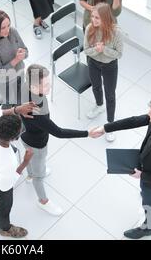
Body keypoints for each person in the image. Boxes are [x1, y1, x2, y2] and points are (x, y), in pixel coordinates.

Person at [93, 96, 151, 239]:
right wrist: (105, 128)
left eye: (150, 114)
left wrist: (142, 175)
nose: (147, 115)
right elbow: (134, 121)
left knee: (148, 202)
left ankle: (148, 227)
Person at [20, 64, 96, 215]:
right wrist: (87, 133)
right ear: (34, 86)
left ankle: (29, 174)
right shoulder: (36, 112)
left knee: (29, 156)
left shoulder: (24, 87)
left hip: (26, 136)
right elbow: (59, 132)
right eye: (46, 84)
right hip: (37, 144)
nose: (50, 86)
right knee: (39, 176)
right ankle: (43, 201)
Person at [0, 102, 37, 238]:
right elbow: (5, 187)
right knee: (4, 206)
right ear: (14, 139)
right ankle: (5, 228)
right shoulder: (8, 160)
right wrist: (25, 162)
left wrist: (16, 110)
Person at [84, 2, 123, 142]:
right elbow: (86, 50)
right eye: (92, 16)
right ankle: (99, 105)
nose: (93, 20)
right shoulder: (89, 28)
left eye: (97, 18)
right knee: (95, 86)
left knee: (110, 95)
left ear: (105, 19)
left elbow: (119, 54)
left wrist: (104, 49)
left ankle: (110, 125)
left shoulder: (116, 32)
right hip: (93, 63)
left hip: (109, 66)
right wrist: (96, 50)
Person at [0, 7, 28, 108]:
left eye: (8, 26)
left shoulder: (13, 32)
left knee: (21, 101)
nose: (7, 30)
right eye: (3, 28)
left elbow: (26, 51)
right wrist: (16, 60)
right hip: (6, 83)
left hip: (20, 74)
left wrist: (23, 53)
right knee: (9, 107)